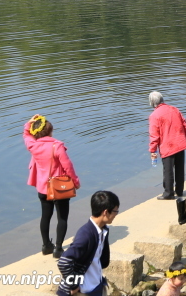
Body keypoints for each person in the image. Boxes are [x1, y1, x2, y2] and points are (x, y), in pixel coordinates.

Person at [23, 115, 81, 258]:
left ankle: (46, 246)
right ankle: (58, 248)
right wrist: (75, 182)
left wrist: (29, 124)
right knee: (62, 218)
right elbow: (68, 166)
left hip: (42, 188)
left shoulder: (33, 145)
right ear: (50, 131)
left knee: (45, 217)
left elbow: (26, 135)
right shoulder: (57, 146)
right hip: (58, 188)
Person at [57, 190, 119, 296]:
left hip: (97, 285)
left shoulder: (103, 230)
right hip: (85, 290)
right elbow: (64, 262)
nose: (116, 215)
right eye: (115, 211)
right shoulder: (86, 234)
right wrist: (74, 285)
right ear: (105, 212)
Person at [149, 92, 186, 200]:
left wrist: (153, 150)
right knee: (180, 168)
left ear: (152, 103)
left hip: (168, 145)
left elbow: (154, 135)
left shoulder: (154, 115)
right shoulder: (174, 109)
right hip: (180, 142)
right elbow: (185, 125)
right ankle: (180, 191)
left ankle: (168, 193)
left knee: (168, 170)